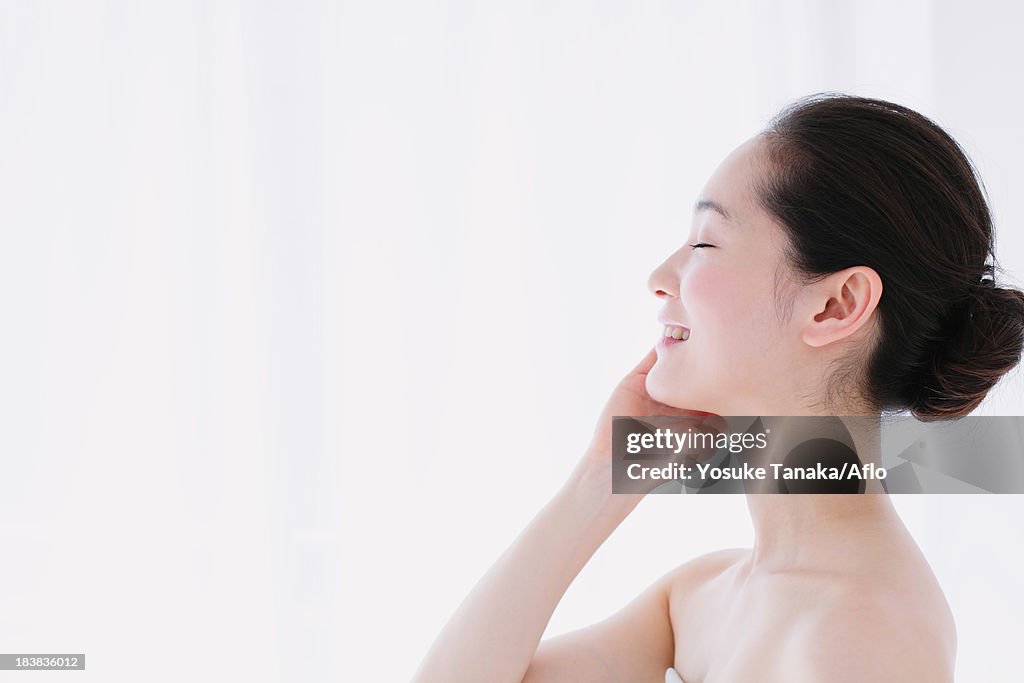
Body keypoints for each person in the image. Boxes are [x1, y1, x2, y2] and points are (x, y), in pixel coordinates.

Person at [411, 93, 1024, 682]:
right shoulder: (702, 598)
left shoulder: (864, 635)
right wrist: (603, 475)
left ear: (836, 304)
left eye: (705, 242)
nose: (659, 277)